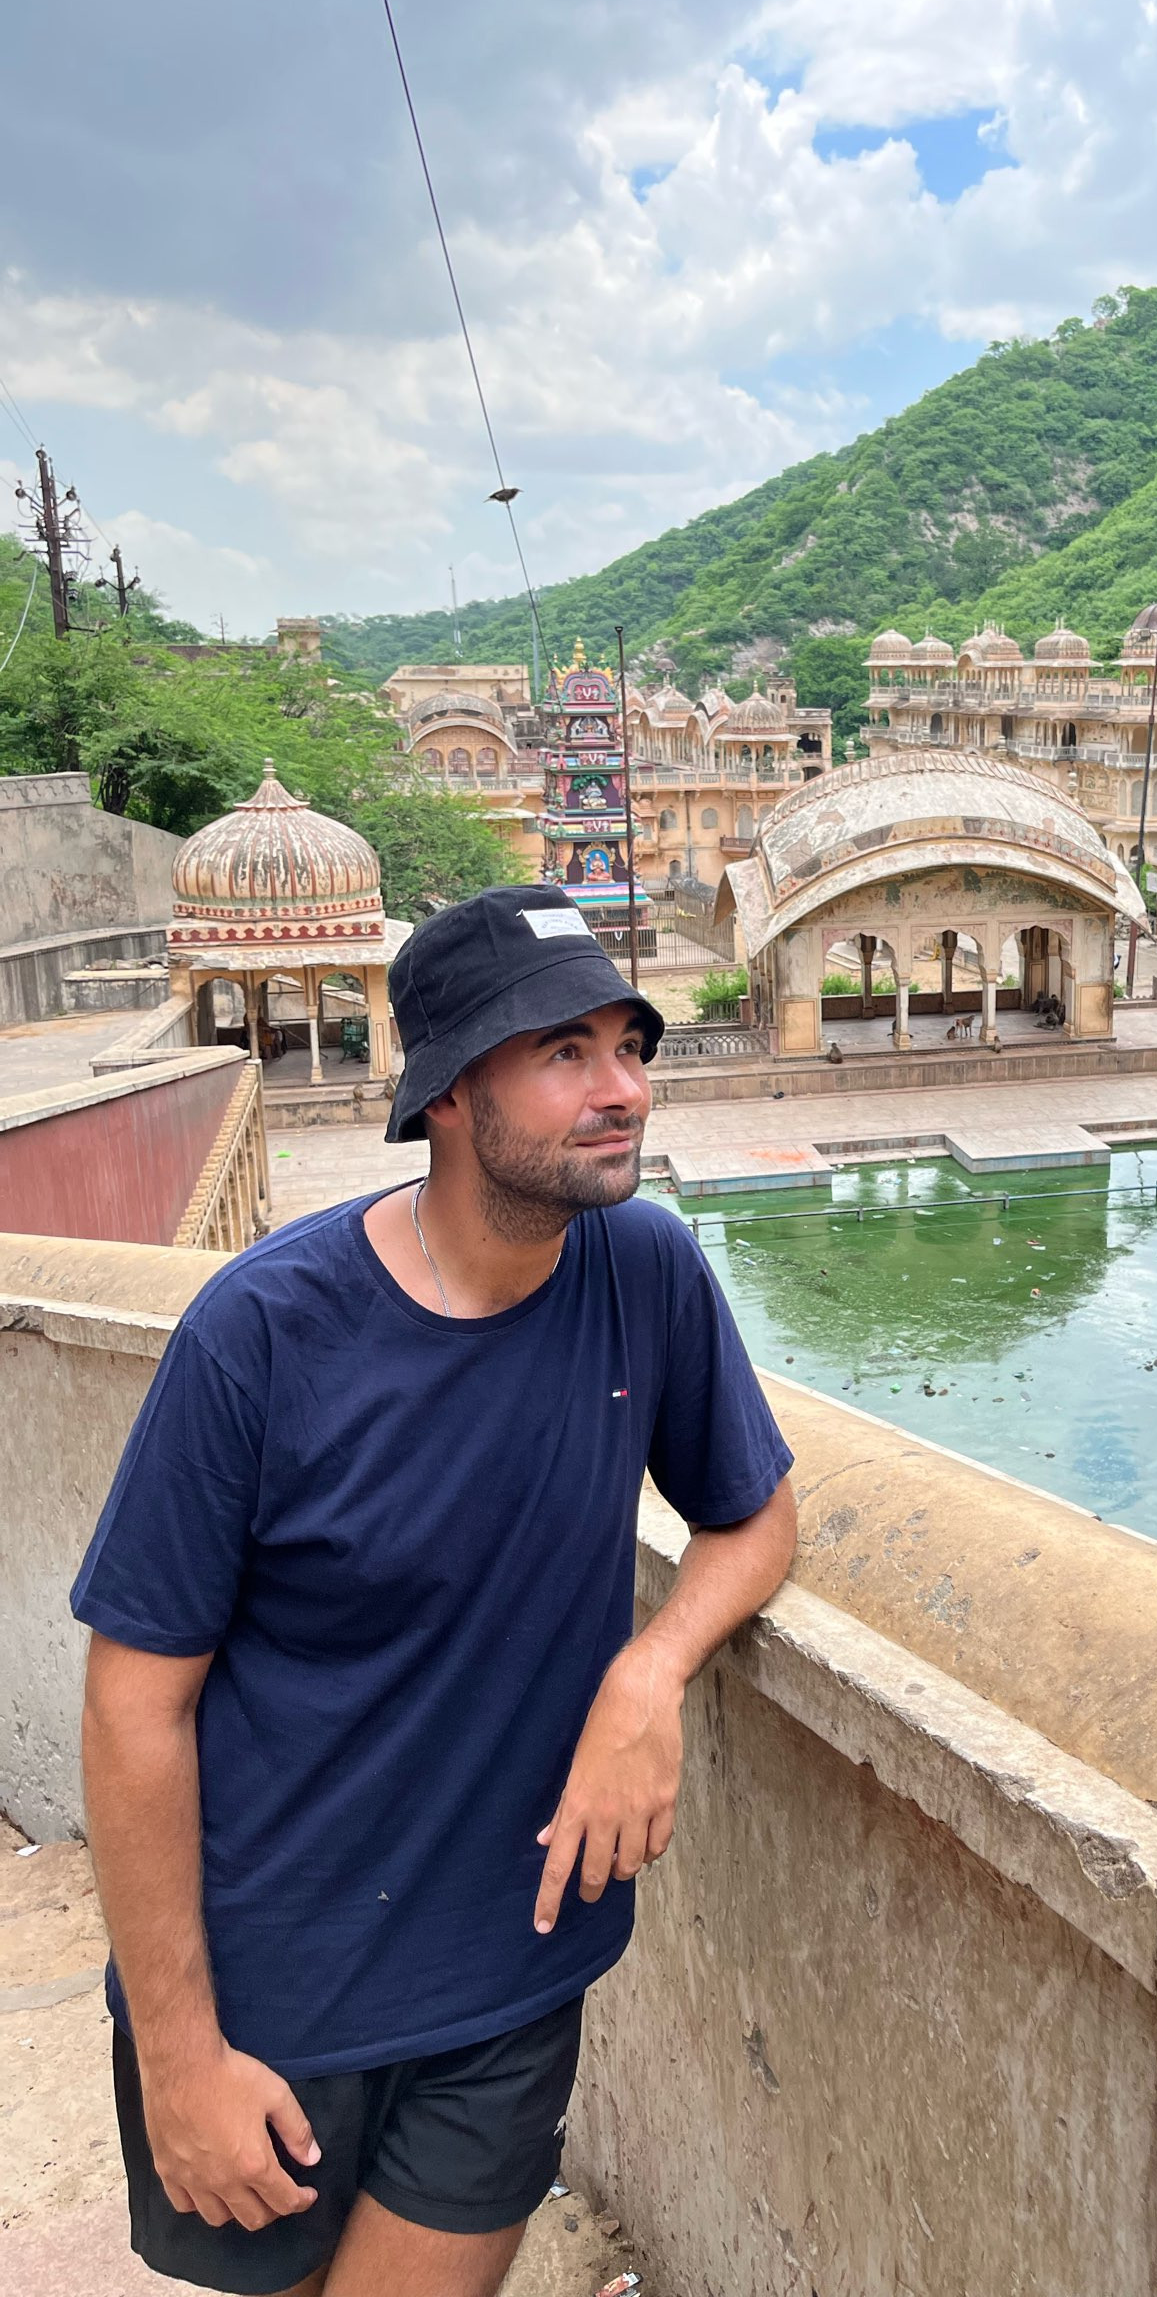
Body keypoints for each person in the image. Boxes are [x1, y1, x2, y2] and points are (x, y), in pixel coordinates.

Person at [71, 885, 797, 2297]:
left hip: (508, 1971)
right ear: (452, 1092)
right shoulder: (262, 1335)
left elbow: (755, 1517)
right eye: (566, 1053)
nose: (623, 1090)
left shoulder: (643, 1268)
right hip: (272, 1995)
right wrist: (179, 2056)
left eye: (629, 1047)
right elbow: (132, 1706)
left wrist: (649, 1671)